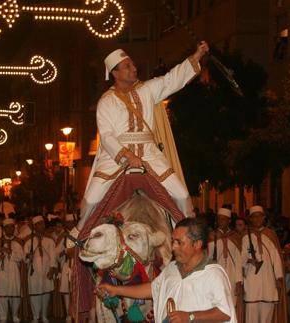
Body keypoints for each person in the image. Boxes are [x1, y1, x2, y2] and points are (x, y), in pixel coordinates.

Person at [77, 41, 210, 230]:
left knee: (181, 194)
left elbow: (172, 79)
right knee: (91, 200)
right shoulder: (106, 101)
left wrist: (197, 55)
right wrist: (128, 156)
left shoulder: (147, 89)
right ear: (115, 73)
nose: (134, 68)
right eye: (127, 66)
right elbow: (106, 136)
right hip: (115, 157)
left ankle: (186, 232)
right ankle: (81, 235)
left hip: (149, 152)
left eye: (133, 64)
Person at [97, 217, 235, 323]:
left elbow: (224, 312)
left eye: (179, 242)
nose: (173, 247)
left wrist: (189, 316)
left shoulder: (213, 274)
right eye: (173, 241)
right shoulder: (172, 268)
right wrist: (115, 290)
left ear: (197, 244)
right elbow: (153, 289)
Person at [241, 205, 286, 323]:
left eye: (259, 216)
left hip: (269, 282)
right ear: (250, 219)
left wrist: (279, 277)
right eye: (254, 217)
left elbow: (276, 258)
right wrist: (249, 261)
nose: (257, 219)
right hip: (252, 281)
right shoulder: (245, 236)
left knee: (267, 318)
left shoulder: (270, 234)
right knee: (251, 318)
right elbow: (240, 259)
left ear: (263, 218)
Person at [23, 216, 56, 323]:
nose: (42, 226)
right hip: (34, 271)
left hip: (46, 269)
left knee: (46, 293)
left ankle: (44, 315)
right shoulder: (29, 240)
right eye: (39, 224)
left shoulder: (49, 240)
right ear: (35, 226)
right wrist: (28, 257)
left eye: (42, 224)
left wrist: (52, 269)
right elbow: (25, 257)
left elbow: (53, 256)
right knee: (35, 293)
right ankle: (35, 316)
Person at [0, 218, 23, 323]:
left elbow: (21, 257)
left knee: (15, 296)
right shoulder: (0, 242)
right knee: (2, 296)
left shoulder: (18, 242)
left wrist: (9, 252)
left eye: (11, 227)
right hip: (2, 273)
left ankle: (15, 315)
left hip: (14, 273)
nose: (9, 229)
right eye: (7, 227)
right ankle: (3, 318)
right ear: (4, 229)